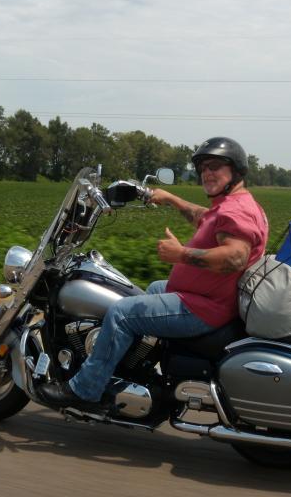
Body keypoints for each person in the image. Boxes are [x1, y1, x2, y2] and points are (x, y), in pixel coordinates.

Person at [40, 136, 269, 407]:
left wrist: (180, 254)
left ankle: (84, 389)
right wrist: (170, 198)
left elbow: (235, 257)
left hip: (204, 308)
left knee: (121, 313)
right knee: (152, 289)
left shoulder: (237, 210)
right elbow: (204, 217)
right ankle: (136, 369)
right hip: (206, 298)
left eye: (216, 166)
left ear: (236, 170)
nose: (207, 173)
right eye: (204, 168)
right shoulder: (230, 205)